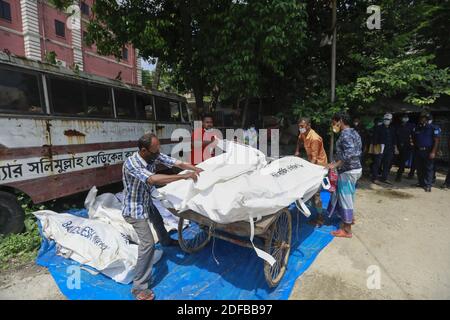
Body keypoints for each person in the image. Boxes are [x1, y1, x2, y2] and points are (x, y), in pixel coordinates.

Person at [122, 133, 203, 300]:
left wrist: (194, 168)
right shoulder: (132, 164)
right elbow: (152, 179)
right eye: (154, 151)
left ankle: (166, 241)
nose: (158, 153)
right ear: (144, 150)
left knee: (158, 221)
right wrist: (183, 176)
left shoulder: (153, 155)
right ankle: (139, 286)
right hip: (134, 208)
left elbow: (174, 162)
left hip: (146, 201)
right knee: (148, 244)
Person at [327, 113, 362, 238]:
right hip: (356, 169)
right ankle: (350, 218)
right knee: (350, 196)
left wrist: (335, 165)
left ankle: (347, 230)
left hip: (348, 171)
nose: (333, 125)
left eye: (334, 122)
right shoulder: (354, 132)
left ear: (340, 121)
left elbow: (349, 153)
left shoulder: (345, 134)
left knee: (345, 199)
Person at [294, 118, 328, 226]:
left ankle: (320, 218)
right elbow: (299, 140)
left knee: (316, 193)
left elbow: (314, 158)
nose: (301, 128)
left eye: (302, 126)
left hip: (319, 166)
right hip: (312, 163)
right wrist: (297, 150)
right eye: (299, 126)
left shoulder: (314, 138)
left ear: (309, 125)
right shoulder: (303, 134)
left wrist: (309, 171)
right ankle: (308, 205)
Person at [412, 113, 441, 192]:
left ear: (428, 119)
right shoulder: (418, 128)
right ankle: (421, 183)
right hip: (418, 150)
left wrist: (433, 152)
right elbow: (414, 139)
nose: (422, 119)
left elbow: (436, 141)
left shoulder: (434, 128)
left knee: (428, 168)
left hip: (428, 151)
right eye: (421, 118)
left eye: (424, 118)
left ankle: (428, 185)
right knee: (419, 168)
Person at [371, 113, 396, 184]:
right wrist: (375, 147)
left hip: (389, 148)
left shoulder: (392, 128)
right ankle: (374, 178)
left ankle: (384, 178)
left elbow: (394, 139)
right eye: (385, 119)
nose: (387, 120)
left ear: (391, 120)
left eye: (388, 119)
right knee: (377, 163)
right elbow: (375, 138)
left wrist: (395, 148)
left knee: (387, 163)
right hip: (380, 147)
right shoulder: (378, 127)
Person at [395, 114, 415, 182]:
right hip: (397, 146)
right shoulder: (397, 126)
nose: (405, 119)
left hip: (407, 146)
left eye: (406, 117)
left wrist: (412, 144)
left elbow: (413, 136)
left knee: (403, 161)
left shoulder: (411, 126)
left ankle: (400, 175)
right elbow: (395, 136)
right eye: (403, 117)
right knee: (397, 160)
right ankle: (397, 175)